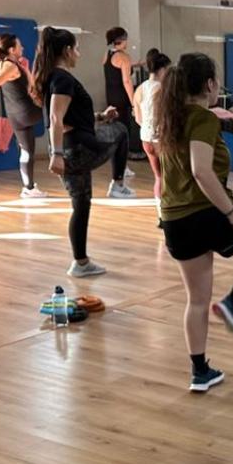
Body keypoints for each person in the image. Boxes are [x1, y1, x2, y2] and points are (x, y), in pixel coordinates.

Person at [156, 53, 233, 391]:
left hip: (174, 219)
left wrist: (225, 114)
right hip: (205, 212)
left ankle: (199, 371)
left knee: (196, 300)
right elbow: (201, 170)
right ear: (209, 84)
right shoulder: (202, 120)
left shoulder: (172, 118)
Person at [33, 26, 135, 278]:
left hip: (72, 146)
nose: (78, 54)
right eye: (76, 48)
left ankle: (80, 262)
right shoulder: (63, 78)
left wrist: (100, 117)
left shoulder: (54, 78)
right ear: (67, 51)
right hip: (77, 148)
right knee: (121, 130)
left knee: (81, 205)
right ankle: (118, 184)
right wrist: (55, 154)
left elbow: (69, 117)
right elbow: (56, 118)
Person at [0, 33, 46, 198]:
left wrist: (26, 69)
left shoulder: (6, 65)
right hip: (28, 112)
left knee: (27, 151)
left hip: (15, 117)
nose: (23, 48)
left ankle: (29, 188)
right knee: (56, 108)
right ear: (12, 50)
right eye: (19, 46)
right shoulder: (10, 67)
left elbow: (30, 85)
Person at [134, 49, 171, 207]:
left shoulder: (140, 89)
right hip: (160, 138)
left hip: (145, 138)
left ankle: (160, 214)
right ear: (162, 69)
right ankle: (170, 213)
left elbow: (138, 118)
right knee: (169, 177)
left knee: (158, 177)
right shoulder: (162, 89)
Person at [104, 27, 144, 160]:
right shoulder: (124, 57)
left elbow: (116, 68)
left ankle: (117, 161)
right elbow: (127, 81)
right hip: (122, 98)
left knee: (115, 130)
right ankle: (123, 165)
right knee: (124, 131)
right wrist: (134, 102)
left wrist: (135, 64)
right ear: (121, 40)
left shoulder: (108, 54)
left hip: (111, 96)